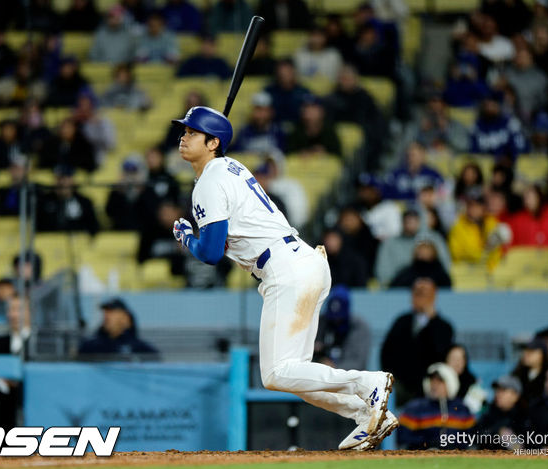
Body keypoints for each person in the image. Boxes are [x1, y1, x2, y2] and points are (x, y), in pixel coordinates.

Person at [170, 106, 394, 450]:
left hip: (284, 269)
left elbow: (212, 254)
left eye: (191, 132)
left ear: (213, 141)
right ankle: (366, 414)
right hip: (303, 262)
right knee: (293, 375)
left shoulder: (211, 181)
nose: (183, 137)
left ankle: (368, 384)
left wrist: (188, 238)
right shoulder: (229, 167)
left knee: (276, 373)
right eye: (184, 131)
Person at [381, 278, 454, 406]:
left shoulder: (443, 326)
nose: (419, 298)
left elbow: (441, 353)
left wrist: (432, 320)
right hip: (401, 387)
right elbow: (386, 353)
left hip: (430, 386)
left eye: (423, 294)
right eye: (416, 293)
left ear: (433, 297)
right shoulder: (401, 322)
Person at [397, 363, 475, 449]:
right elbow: (403, 440)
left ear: (450, 383)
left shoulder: (462, 409)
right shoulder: (414, 409)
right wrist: (428, 444)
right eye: (432, 380)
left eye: (440, 381)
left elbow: (471, 439)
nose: (434, 385)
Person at [0, 296, 31, 431]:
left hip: (29, 418)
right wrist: (0, 381)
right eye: (10, 310)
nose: (12, 314)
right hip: (0, 418)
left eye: (17, 309)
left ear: (30, 312)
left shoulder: (38, 344)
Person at [375, 209, 450, 287]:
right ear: (402, 222)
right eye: (407, 221)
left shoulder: (433, 238)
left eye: (414, 220)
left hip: (432, 286)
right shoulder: (390, 243)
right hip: (399, 287)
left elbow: (445, 265)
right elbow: (383, 274)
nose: (411, 224)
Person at [313, 285, 371, 371]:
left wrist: (333, 368)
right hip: (321, 376)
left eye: (340, 319)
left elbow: (358, 363)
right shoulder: (320, 323)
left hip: (349, 379)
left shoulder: (359, 327)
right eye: (333, 318)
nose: (336, 321)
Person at [448, 186, 504, 270]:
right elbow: (456, 253)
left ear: (483, 207)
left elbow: (497, 252)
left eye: (477, 205)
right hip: (466, 272)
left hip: (489, 272)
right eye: (470, 205)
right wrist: (481, 254)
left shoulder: (491, 223)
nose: (473, 209)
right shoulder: (458, 225)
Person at [505, 184, 548, 253]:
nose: (528, 201)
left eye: (531, 197)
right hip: (525, 262)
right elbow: (509, 246)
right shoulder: (517, 220)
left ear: (540, 197)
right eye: (526, 197)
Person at [78, 298, 158, 355]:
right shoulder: (89, 346)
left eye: (112, 311)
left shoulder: (142, 349)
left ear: (126, 318)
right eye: (105, 312)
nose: (106, 315)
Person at [35, 165, 99, 235]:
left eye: (65, 178)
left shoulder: (84, 202)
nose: (62, 182)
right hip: (49, 243)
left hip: (77, 243)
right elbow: (37, 228)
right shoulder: (44, 201)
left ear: (72, 180)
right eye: (58, 178)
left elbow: (94, 226)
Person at [474, 374, 526, 449]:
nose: (498, 394)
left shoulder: (524, 417)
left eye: (503, 390)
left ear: (515, 396)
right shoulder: (488, 413)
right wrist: (497, 432)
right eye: (497, 390)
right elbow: (474, 436)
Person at [380, 142, 445, 201]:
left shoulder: (432, 175)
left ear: (423, 155)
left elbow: (442, 193)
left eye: (415, 155)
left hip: (423, 209)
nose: (412, 158)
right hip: (399, 208)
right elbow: (385, 193)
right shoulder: (396, 174)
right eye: (410, 155)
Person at [106, 155, 147, 231]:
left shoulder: (147, 192)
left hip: (144, 231)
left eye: (133, 172)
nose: (130, 176)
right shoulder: (116, 193)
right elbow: (109, 213)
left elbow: (150, 214)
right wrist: (120, 192)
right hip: (121, 232)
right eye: (127, 171)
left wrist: (140, 191)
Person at [512, 337, 548, 408]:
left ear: (543, 354)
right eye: (525, 350)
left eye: (531, 351)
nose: (526, 354)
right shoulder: (517, 374)